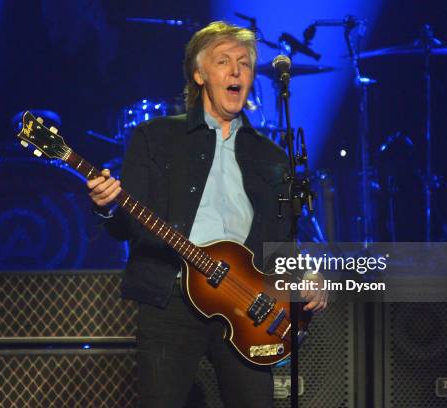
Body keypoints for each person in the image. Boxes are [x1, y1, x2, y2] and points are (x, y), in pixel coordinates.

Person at [88, 21, 327, 408]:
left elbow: (285, 242)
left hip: (246, 304)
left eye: (245, 64)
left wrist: (308, 274)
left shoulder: (272, 158)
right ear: (199, 74)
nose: (236, 71)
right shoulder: (155, 138)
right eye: (223, 61)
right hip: (170, 299)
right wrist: (107, 206)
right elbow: (125, 226)